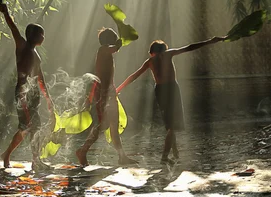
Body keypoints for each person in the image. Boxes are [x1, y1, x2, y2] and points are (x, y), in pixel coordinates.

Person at [116, 36, 226, 164]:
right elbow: (189, 47)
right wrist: (210, 41)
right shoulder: (166, 55)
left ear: (152, 52)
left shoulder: (151, 61)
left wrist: (119, 88)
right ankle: (165, 156)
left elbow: (134, 76)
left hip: (162, 90)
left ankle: (175, 151)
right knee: (172, 125)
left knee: (170, 123)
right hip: (170, 89)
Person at [0, 3, 55, 171]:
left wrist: (47, 97)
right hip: (24, 92)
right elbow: (13, 29)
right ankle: (35, 161)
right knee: (30, 126)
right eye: (41, 34)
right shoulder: (22, 46)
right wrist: (6, 13)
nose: (44, 37)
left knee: (28, 127)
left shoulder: (36, 53)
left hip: (33, 94)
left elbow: (40, 77)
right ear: (34, 36)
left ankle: (9, 154)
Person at [76, 28, 138, 167]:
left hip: (110, 92)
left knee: (113, 126)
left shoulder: (106, 52)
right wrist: (119, 43)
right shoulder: (103, 50)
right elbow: (115, 48)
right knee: (100, 126)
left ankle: (122, 157)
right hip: (103, 93)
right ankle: (82, 150)